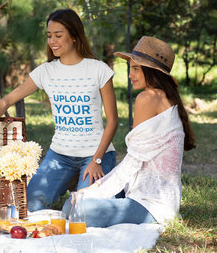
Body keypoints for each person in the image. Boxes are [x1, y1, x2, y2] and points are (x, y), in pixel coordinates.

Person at [0, 8, 118, 212]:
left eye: (59, 35)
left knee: (79, 212)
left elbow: (113, 121)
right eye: (49, 36)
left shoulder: (98, 70)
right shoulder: (46, 72)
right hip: (60, 155)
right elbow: (7, 100)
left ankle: (109, 186)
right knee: (30, 206)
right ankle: (75, 182)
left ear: (75, 37)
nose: (52, 41)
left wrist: (97, 160)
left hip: (96, 154)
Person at [62, 36, 196, 227]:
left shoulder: (147, 98)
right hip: (145, 192)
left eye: (136, 69)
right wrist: (97, 188)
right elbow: (135, 160)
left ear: (151, 72)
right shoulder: (166, 97)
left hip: (152, 204)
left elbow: (132, 162)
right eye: (130, 68)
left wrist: (94, 191)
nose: (130, 75)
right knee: (73, 205)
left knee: (76, 208)